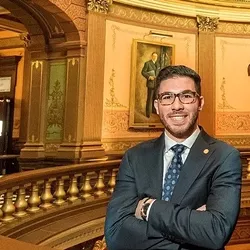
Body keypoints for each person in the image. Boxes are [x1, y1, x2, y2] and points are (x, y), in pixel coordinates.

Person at [105, 65, 242, 250]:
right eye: (167, 97)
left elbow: (215, 231)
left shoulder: (224, 157)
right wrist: (192, 228)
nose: (177, 106)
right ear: (157, 105)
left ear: (200, 102)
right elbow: (115, 233)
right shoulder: (135, 157)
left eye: (186, 96)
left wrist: (148, 208)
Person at [141, 52, 161, 118]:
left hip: (157, 84)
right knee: (149, 98)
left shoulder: (158, 64)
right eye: (154, 56)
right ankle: (148, 113)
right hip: (150, 83)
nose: (155, 57)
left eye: (156, 56)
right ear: (151, 56)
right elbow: (143, 72)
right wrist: (149, 77)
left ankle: (154, 111)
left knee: (155, 98)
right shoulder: (147, 63)